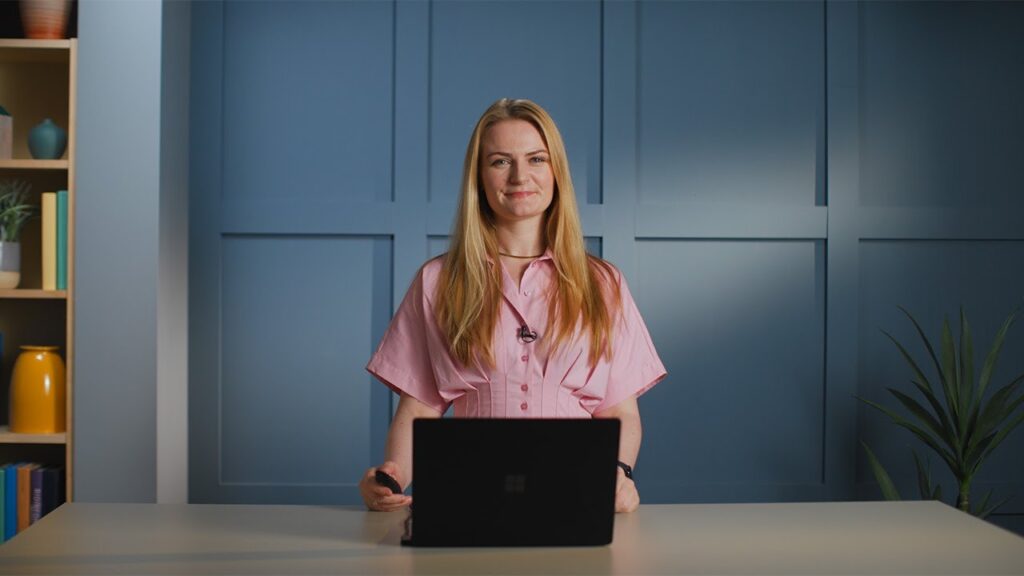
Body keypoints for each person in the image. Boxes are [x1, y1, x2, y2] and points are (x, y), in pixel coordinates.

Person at [359, 98, 666, 513]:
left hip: (576, 496)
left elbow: (619, 410)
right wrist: (391, 474)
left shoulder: (604, 284)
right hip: (468, 500)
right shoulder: (438, 280)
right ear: (479, 177)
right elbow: (420, 405)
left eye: (536, 159)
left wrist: (619, 473)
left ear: (556, 170)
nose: (520, 175)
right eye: (501, 161)